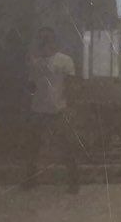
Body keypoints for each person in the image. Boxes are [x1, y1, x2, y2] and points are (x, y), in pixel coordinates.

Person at [24, 26, 80, 193]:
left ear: (54, 40)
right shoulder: (35, 62)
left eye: (47, 37)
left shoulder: (65, 60)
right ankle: (30, 180)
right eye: (41, 38)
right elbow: (31, 86)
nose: (44, 41)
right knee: (33, 146)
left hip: (59, 110)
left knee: (66, 146)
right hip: (38, 110)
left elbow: (71, 85)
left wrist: (70, 107)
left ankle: (73, 182)